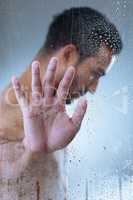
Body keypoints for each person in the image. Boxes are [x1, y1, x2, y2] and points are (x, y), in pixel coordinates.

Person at [0, 6, 122, 199]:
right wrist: (33, 155)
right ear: (68, 55)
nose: (93, 88)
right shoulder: (6, 127)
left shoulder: (49, 120)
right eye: (95, 73)